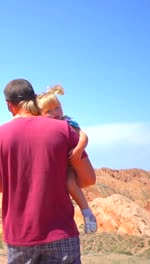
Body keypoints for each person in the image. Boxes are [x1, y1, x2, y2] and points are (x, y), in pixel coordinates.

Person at [0, 78, 96, 264]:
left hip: (20, 235)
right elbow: (88, 179)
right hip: (61, 232)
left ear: (9, 106)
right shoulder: (64, 129)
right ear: (34, 99)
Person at [36, 84, 97, 234]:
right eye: (49, 111)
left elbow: (84, 136)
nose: (55, 112)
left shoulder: (67, 121)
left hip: (71, 166)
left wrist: (78, 149)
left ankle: (87, 214)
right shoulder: (44, 128)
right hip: (60, 167)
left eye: (57, 107)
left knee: (69, 183)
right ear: (41, 114)